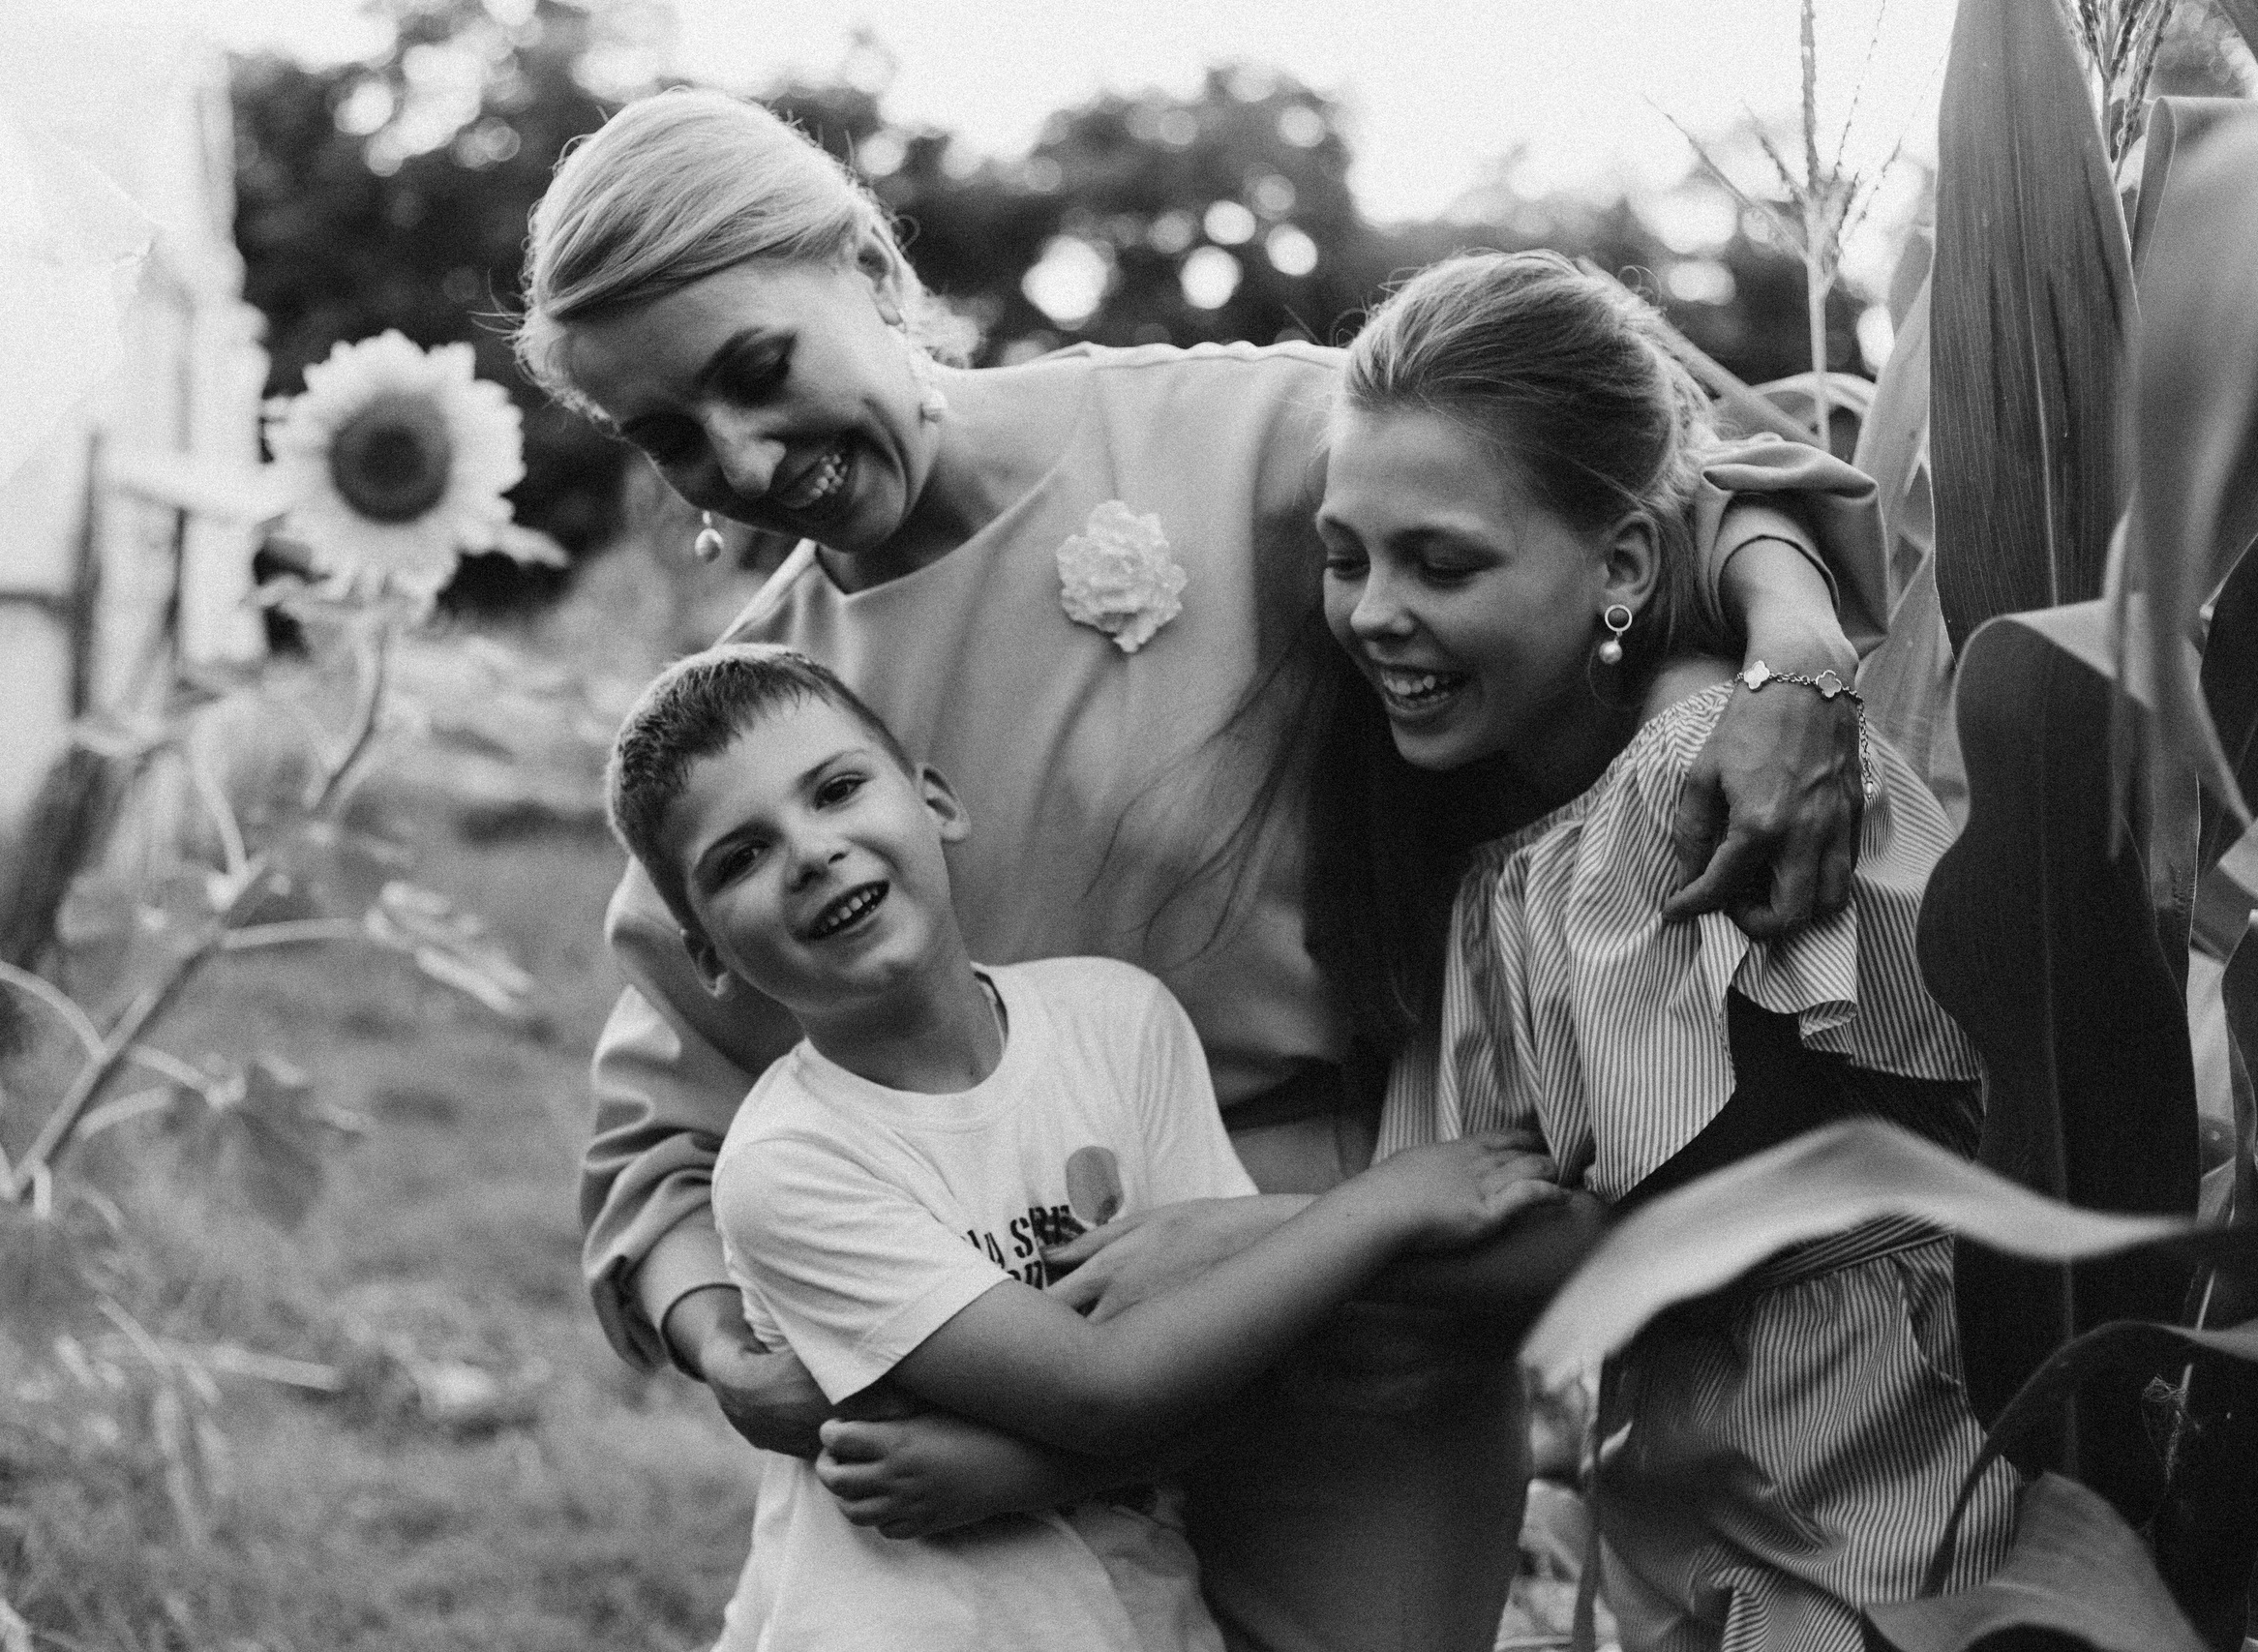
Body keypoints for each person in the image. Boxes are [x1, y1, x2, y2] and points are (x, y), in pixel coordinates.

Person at [520, 86, 1884, 1651]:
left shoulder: (1225, 434)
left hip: (1359, 1321)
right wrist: (724, 1334)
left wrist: (1792, 664)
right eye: (670, 438)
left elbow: (1646, 487)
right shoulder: (761, 717)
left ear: (861, 264)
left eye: (756, 372)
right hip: (1014, 1373)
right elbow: (657, 1132)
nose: (743, 457)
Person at [1303, 250, 2014, 1648]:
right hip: (1707, 1496)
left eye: (1440, 561)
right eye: (1345, 557)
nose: (1375, 610)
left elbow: (1681, 1218)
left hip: (1880, 1488)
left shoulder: (1707, 773)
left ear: (1624, 563)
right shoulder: (1514, 851)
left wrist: (1257, 1246)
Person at [606, 642, 1565, 1652]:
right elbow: (1101, 1389)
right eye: (741, 857)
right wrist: (1383, 1203)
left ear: (933, 800)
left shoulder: (1120, 1022)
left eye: (838, 790)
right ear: (705, 953)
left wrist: (1027, 1475)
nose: (810, 852)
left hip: (1137, 1617)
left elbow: (1251, 1366)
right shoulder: (789, 1164)